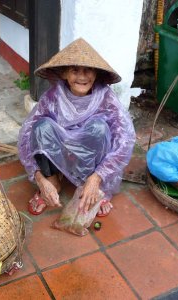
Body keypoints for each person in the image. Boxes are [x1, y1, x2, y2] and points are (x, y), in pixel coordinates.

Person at [18, 38, 135, 218]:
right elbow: (26, 137)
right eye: (74, 70)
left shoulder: (106, 98)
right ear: (65, 74)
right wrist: (40, 179)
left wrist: (98, 177)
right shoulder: (53, 96)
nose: (82, 76)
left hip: (92, 158)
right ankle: (53, 181)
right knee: (41, 127)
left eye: (88, 70)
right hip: (63, 153)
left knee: (100, 128)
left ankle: (94, 186)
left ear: (96, 74)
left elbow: (125, 140)